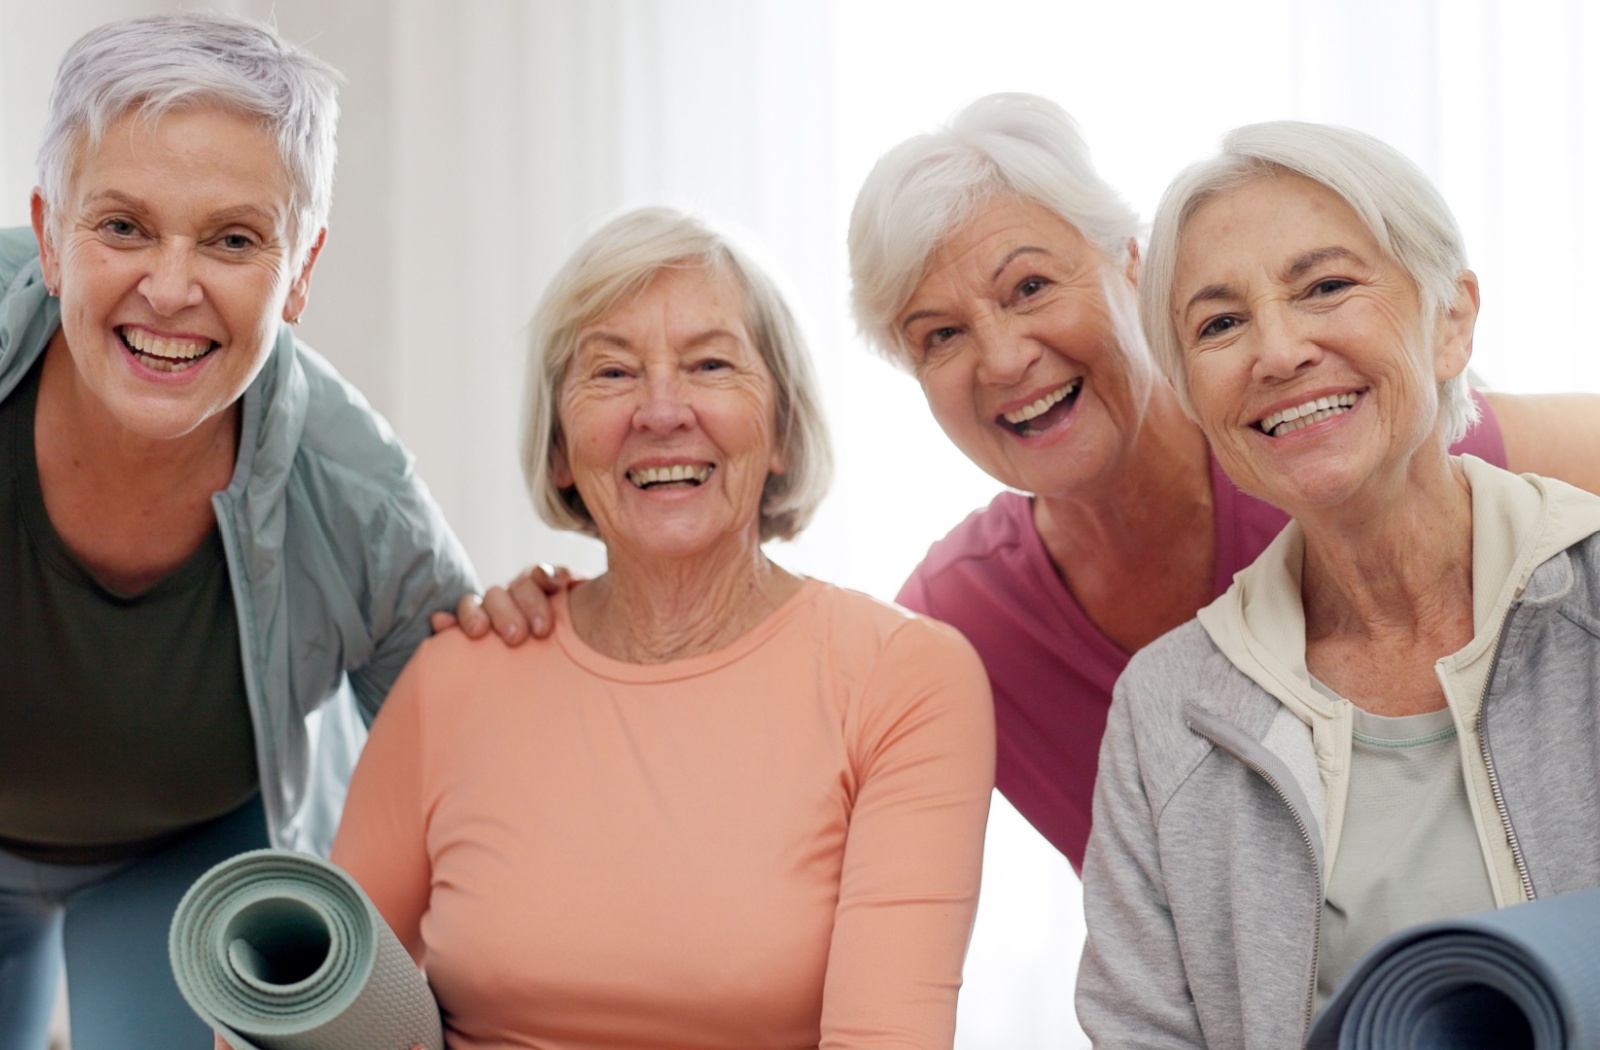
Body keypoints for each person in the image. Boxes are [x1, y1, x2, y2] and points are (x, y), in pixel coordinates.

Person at [846, 93, 1600, 872]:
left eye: (1031, 287)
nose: (1003, 359)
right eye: (940, 335)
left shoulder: (1331, 437)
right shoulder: (958, 629)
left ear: (1132, 272)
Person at [0, 14, 547, 1049]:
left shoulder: (361, 502)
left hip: (179, 861)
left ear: (299, 271)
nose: (171, 287)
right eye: (123, 226)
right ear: (51, 230)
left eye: (234, 239)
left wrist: (541, 646)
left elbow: (479, 804)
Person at [325, 207, 995, 1048]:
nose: (661, 409)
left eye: (711, 364)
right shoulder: (458, 675)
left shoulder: (902, 677)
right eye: (610, 374)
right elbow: (313, 1001)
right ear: (562, 449)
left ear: (781, 428)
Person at [1075, 120, 1600, 1048]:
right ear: (1196, 398)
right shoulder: (1166, 709)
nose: (1277, 353)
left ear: (1451, 320)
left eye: (1325, 286)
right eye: (1220, 324)